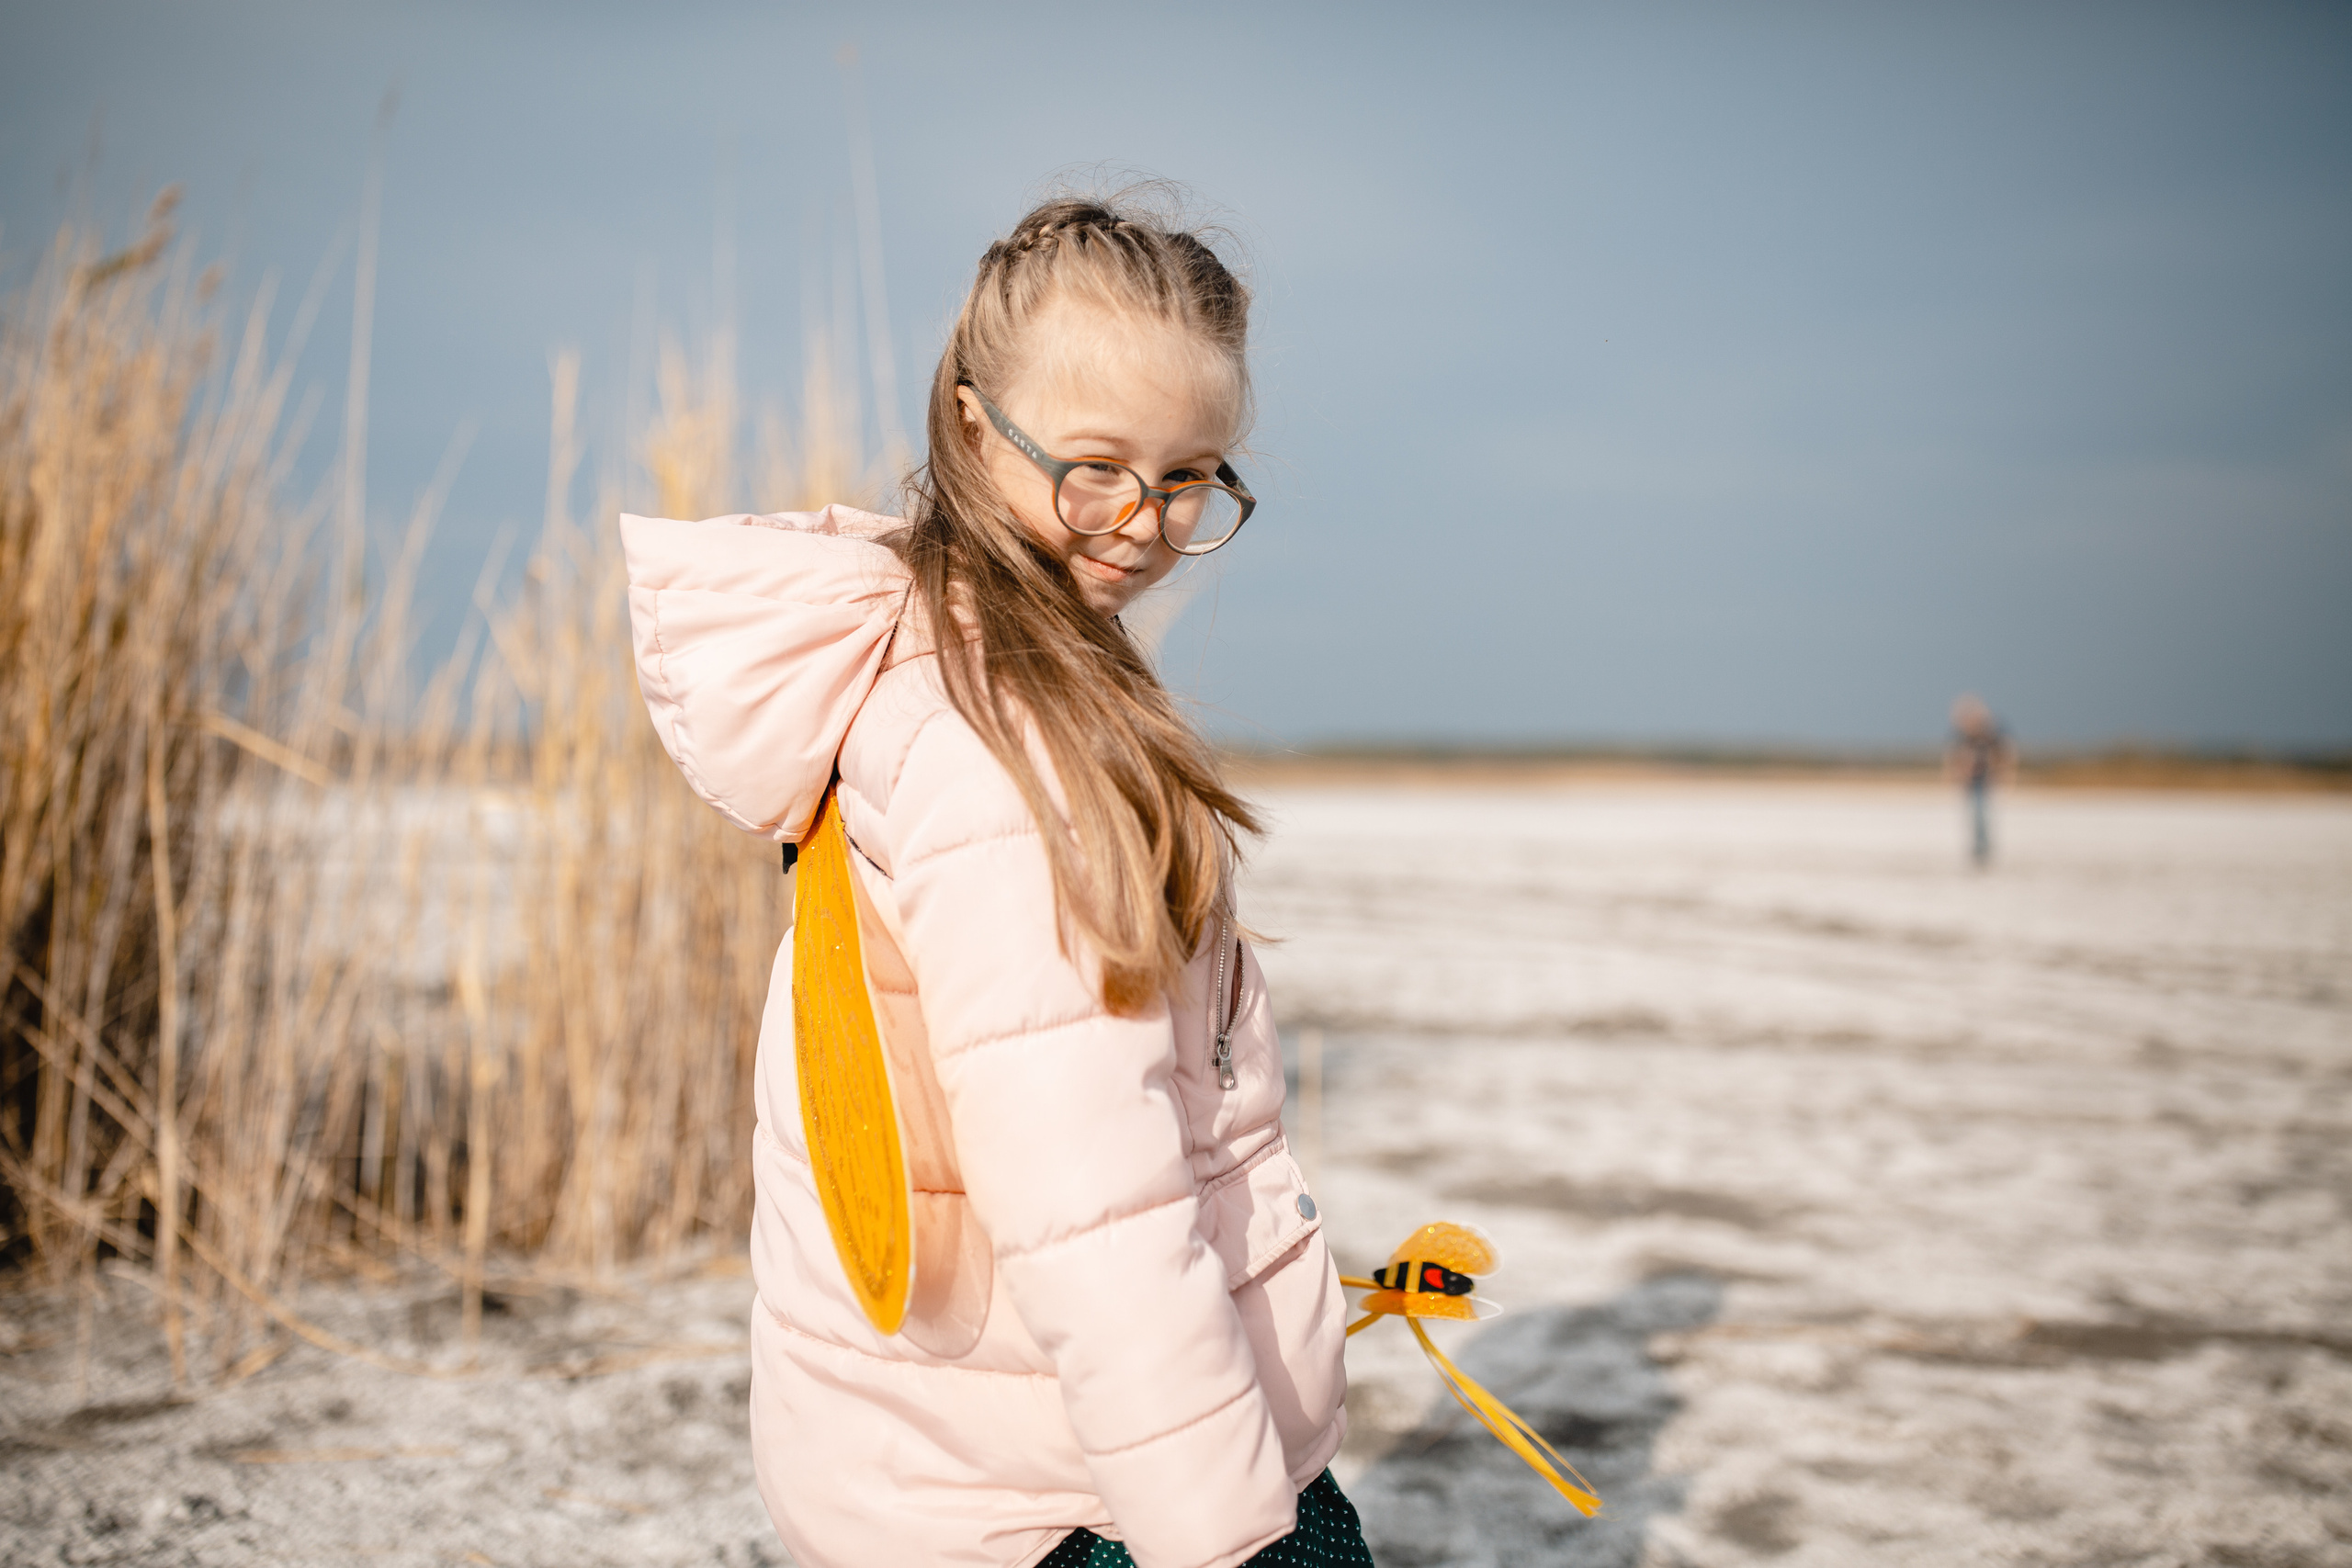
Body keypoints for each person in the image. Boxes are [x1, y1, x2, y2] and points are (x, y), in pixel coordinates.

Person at [623, 193, 1363, 1568]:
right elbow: (1093, 1196)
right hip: (1083, 1493)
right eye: (1093, 465)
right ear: (972, 425)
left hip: (953, 1449)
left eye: (1191, 475)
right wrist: (1224, 1534)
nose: (1139, 522)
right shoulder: (1009, 752)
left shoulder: (919, 664)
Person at [1945, 693, 2017, 866]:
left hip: (1985, 780)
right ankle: (1979, 848)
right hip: (1971, 782)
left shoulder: (1990, 735)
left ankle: (1982, 849)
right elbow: (1954, 757)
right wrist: (1956, 774)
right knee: (1975, 816)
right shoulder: (1964, 737)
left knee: (1981, 815)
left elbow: (2005, 754)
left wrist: (2003, 773)